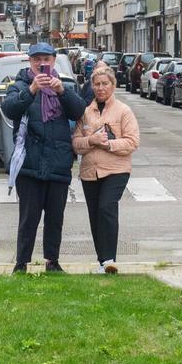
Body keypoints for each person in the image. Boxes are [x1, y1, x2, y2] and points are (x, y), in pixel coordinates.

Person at [2, 43, 87, 274]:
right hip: (30, 161)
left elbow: (79, 111)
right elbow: (9, 109)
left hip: (58, 160)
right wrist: (31, 90)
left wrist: (62, 92)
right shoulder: (19, 84)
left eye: (46, 59)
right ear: (30, 62)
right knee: (29, 217)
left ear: (53, 61)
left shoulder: (64, 85)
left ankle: (52, 261)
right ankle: (21, 263)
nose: (42, 64)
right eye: (37, 59)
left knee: (55, 217)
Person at [72, 65, 140, 274]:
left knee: (106, 208)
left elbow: (132, 142)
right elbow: (75, 142)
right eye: (97, 84)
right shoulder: (85, 112)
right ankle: (103, 261)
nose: (101, 88)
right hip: (90, 171)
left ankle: (110, 259)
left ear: (113, 85)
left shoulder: (123, 110)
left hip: (116, 170)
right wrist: (91, 140)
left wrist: (109, 144)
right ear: (92, 86)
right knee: (95, 215)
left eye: (105, 84)